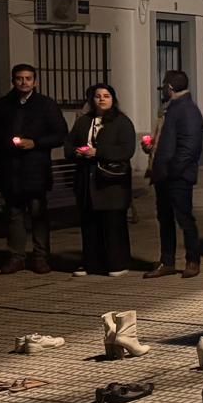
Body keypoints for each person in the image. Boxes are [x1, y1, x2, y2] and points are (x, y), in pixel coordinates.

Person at [0, 64, 68, 275]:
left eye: (28, 78)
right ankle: (16, 256)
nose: (24, 82)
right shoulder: (4, 104)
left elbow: (60, 134)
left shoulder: (45, 105)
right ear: (13, 81)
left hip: (35, 169)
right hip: (10, 168)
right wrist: (6, 144)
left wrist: (36, 143)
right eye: (19, 78)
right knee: (14, 214)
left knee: (38, 213)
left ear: (35, 81)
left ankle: (41, 256)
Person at [66, 83, 137, 277]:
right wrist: (78, 152)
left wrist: (99, 152)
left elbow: (127, 150)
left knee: (113, 224)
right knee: (90, 225)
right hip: (87, 180)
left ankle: (117, 262)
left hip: (111, 181)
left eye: (106, 95)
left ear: (113, 99)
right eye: (98, 96)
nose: (102, 99)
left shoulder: (122, 122)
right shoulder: (83, 121)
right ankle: (91, 263)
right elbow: (69, 146)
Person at [143, 69, 203, 278]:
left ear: (169, 88)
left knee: (184, 219)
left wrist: (173, 170)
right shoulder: (172, 109)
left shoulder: (187, 110)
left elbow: (190, 146)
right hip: (164, 175)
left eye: (164, 87)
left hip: (177, 176)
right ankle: (166, 261)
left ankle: (193, 260)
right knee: (165, 219)